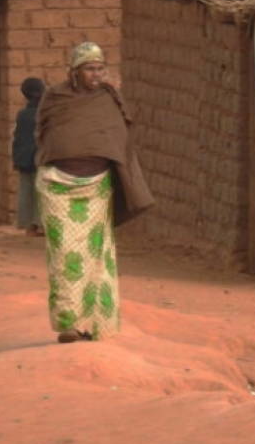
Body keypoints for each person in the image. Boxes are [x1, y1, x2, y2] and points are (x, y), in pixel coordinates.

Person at [34, 42, 153, 343]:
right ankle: (68, 323)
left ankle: (94, 324)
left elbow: (120, 138)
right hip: (57, 186)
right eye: (89, 69)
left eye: (100, 68)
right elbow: (44, 134)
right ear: (74, 72)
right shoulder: (55, 98)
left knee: (97, 255)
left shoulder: (109, 99)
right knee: (65, 255)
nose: (96, 75)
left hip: (98, 187)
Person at [12, 76, 45, 236]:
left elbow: (17, 138)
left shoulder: (22, 114)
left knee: (26, 191)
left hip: (23, 157)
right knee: (41, 191)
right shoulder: (44, 114)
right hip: (40, 158)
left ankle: (27, 225)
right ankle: (40, 224)